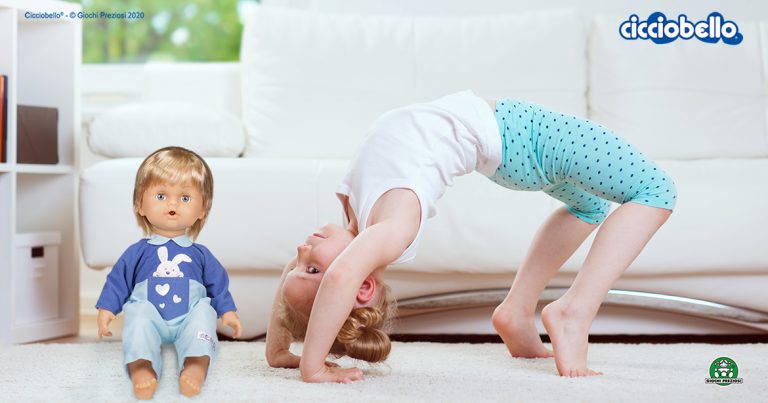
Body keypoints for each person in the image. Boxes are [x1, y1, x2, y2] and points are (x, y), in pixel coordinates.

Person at [266, 90, 677, 381]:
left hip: (514, 146)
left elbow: (305, 276)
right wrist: (313, 366)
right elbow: (338, 278)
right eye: (312, 266)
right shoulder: (391, 230)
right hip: (520, 138)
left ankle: (516, 310)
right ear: (362, 286)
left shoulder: (358, 216)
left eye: (300, 263)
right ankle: (574, 313)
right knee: (657, 191)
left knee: (589, 207)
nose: (303, 249)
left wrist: (278, 349)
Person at [96, 146, 242, 399]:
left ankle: (196, 365)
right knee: (137, 315)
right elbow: (118, 281)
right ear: (140, 204)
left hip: (188, 315)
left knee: (203, 313)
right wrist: (107, 310)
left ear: (202, 210)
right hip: (150, 313)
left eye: (185, 198)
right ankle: (142, 367)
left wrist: (227, 312)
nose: (173, 204)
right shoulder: (137, 252)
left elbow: (218, 283)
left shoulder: (201, 254)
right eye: (161, 196)